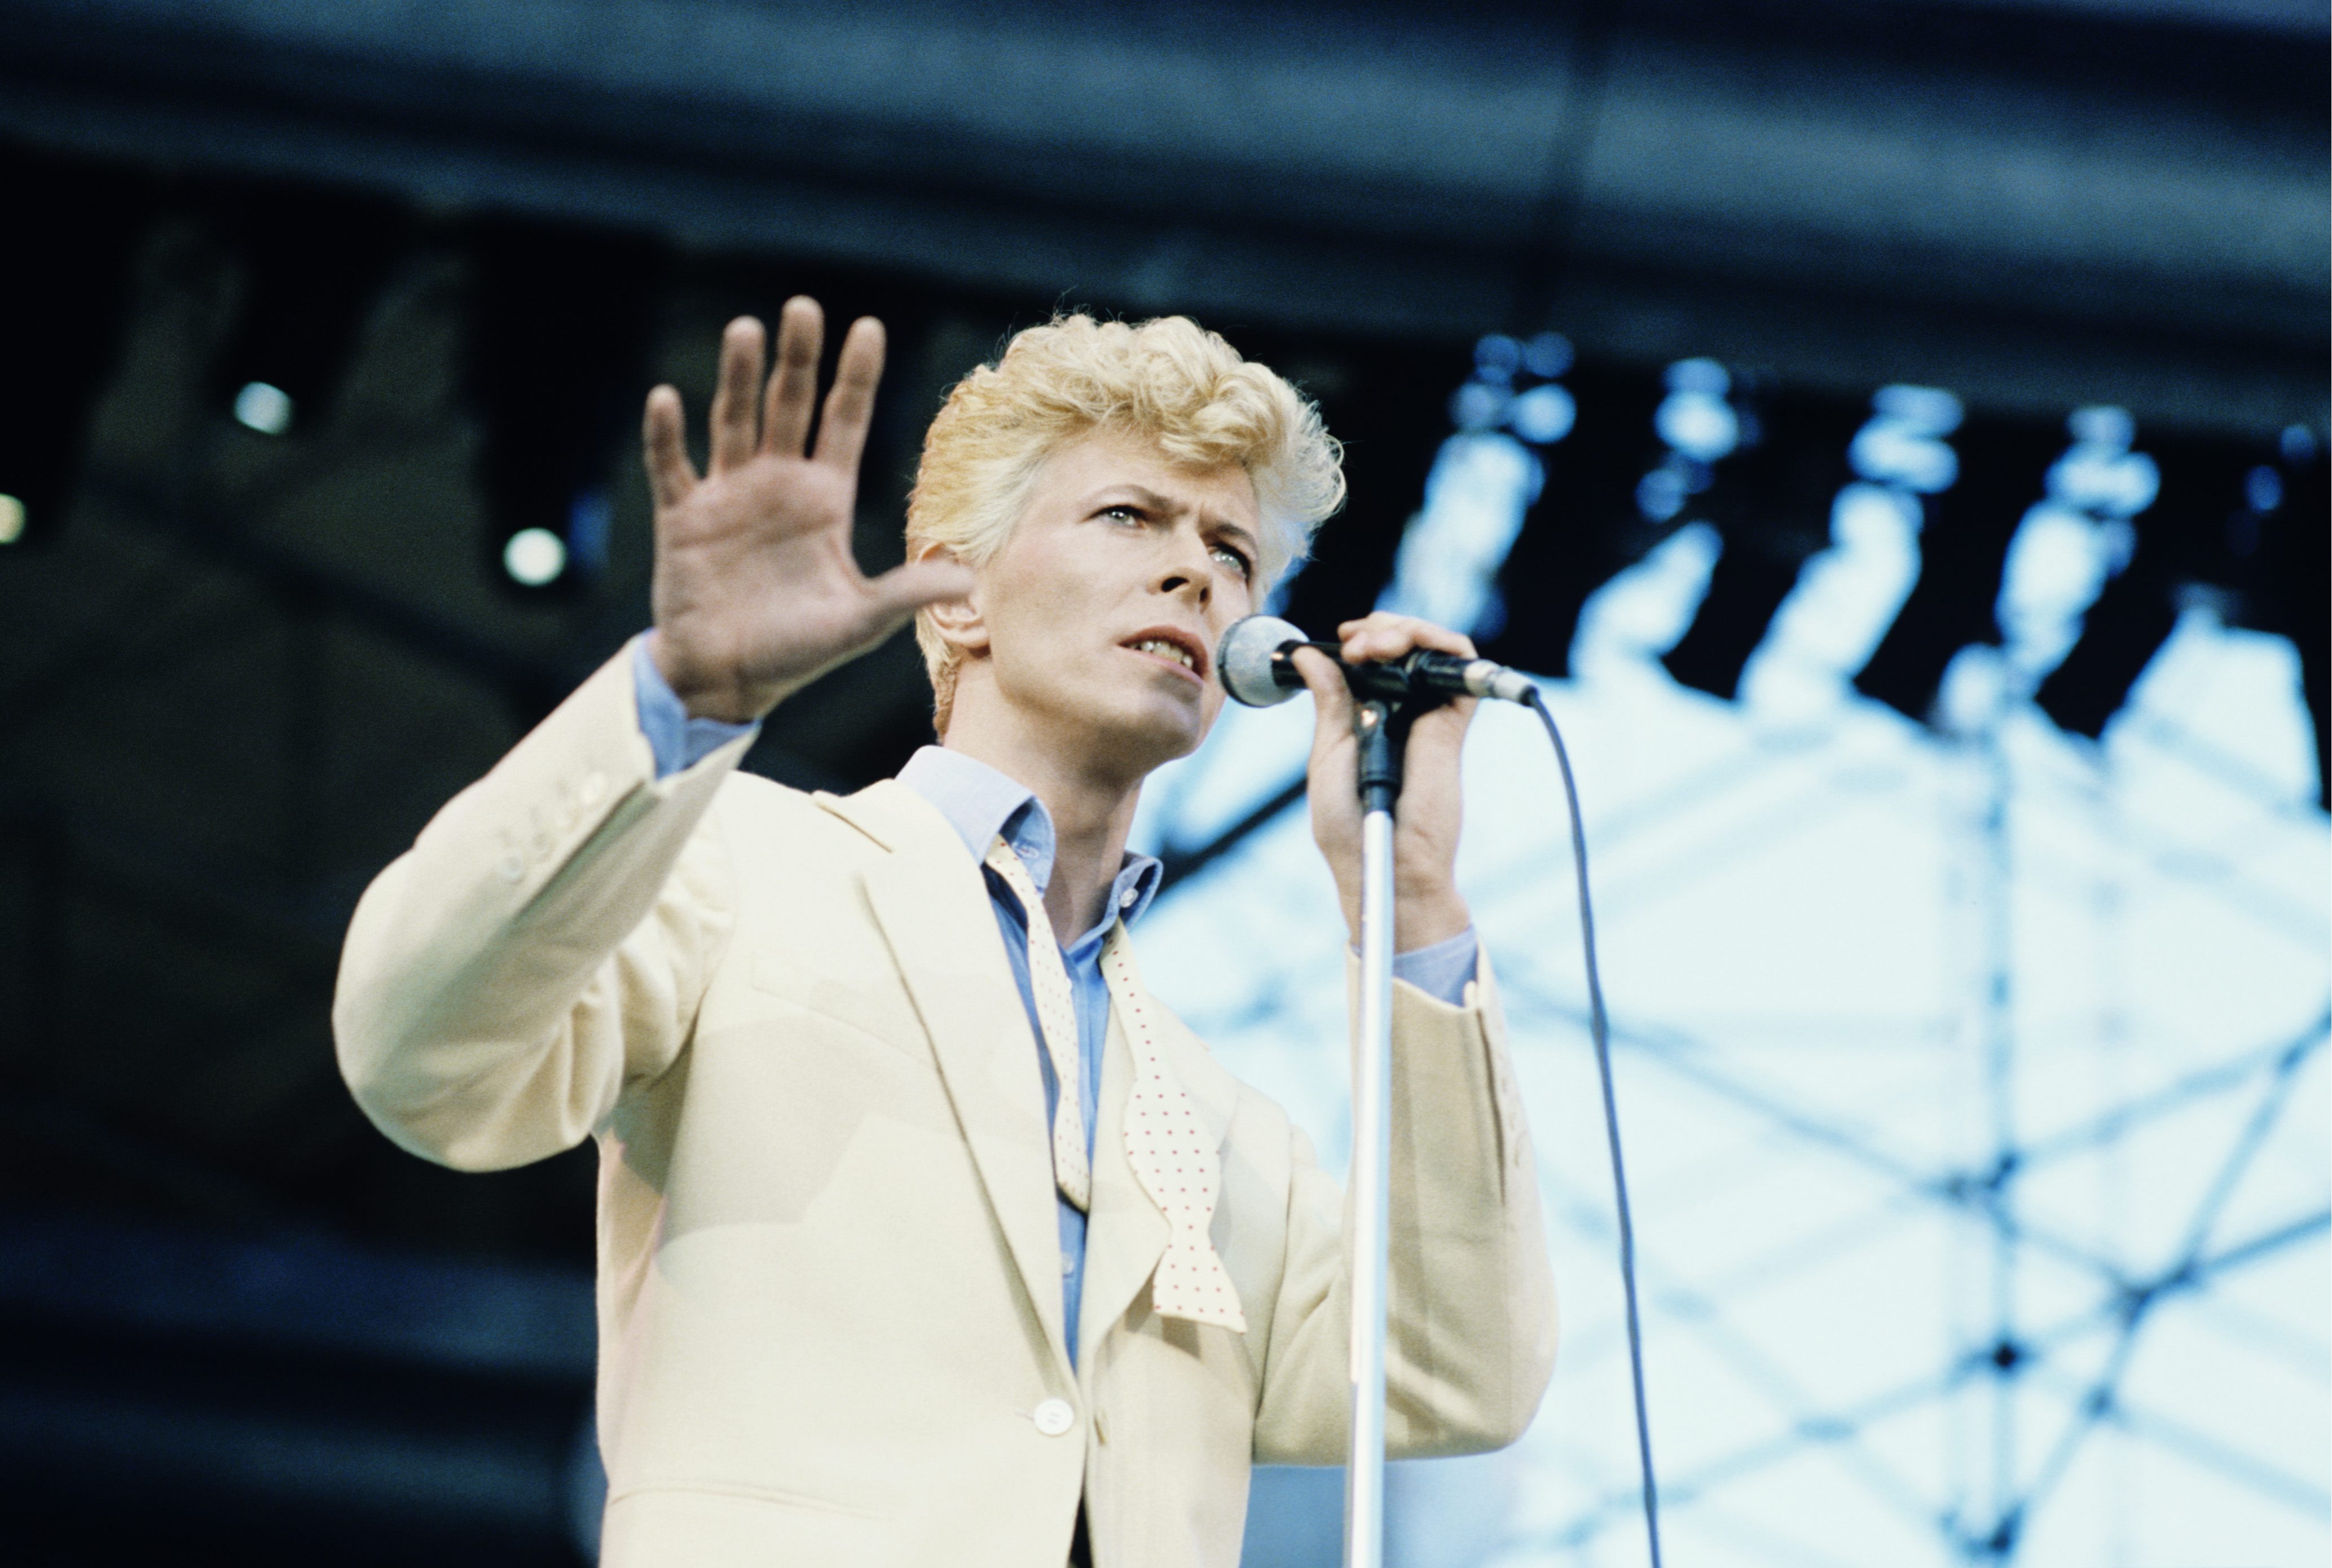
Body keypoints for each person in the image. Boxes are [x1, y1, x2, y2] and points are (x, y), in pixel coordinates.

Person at [333, 298, 1555, 1568]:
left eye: (1234, 553)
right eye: (1131, 516)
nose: (1198, 570)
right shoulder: (739, 860)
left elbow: (1450, 1368)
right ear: (960, 593)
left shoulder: (1224, 1125)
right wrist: (682, 701)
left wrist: (1409, 899)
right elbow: (421, 1052)